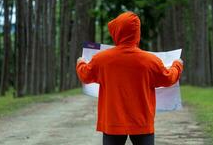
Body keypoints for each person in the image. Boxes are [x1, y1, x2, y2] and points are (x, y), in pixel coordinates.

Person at [76, 11, 183, 145]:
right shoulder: (150, 61)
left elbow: (85, 76)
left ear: (117, 32)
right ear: (137, 33)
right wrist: (177, 65)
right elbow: (168, 79)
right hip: (142, 122)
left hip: (112, 122)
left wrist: (80, 62)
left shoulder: (102, 59)